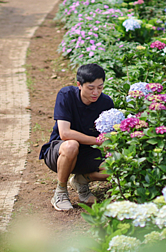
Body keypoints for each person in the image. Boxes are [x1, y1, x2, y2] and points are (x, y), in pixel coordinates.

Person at [38, 63, 113, 211]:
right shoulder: (66, 96)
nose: (96, 92)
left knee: (116, 166)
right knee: (72, 145)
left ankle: (81, 181)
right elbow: (65, 133)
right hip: (60, 152)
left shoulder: (106, 103)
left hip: (88, 155)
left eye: (100, 87)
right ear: (79, 84)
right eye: (91, 88)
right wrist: (97, 141)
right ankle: (60, 192)